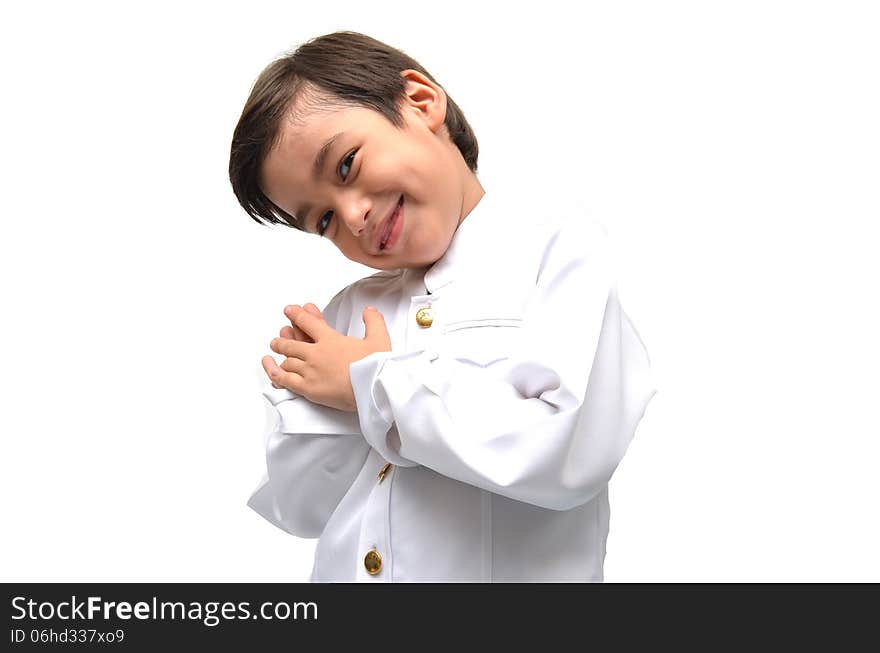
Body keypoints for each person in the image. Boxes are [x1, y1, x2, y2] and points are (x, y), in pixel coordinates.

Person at [228, 31, 657, 582]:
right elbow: (302, 507)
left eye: (345, 167)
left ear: (422, 102)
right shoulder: (351, 312)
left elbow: (566, 452)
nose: (353, 215)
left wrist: (372, 386)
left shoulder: (557, 251)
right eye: (324, 221)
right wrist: (311, 401)